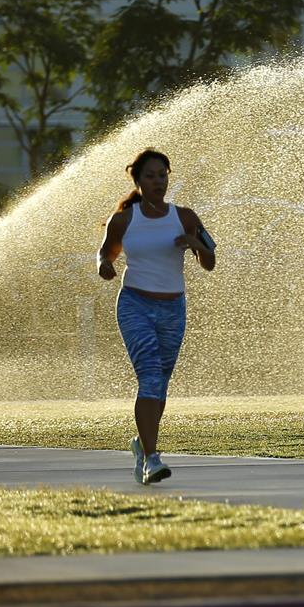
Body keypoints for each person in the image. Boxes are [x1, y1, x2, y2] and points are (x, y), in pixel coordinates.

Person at [97, 148, 216, 484]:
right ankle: (151, 459)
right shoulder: (124, 219)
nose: (158, 181)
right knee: (149, 376)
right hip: (135, 304)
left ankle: (141, 443)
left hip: (173, 308)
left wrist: (195, 242)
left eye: (162, 175)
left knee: (160, 384)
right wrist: (105, 266)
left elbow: (210, 261)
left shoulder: (186, 217)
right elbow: (105, 254)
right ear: (137, 180)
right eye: (150, 176)